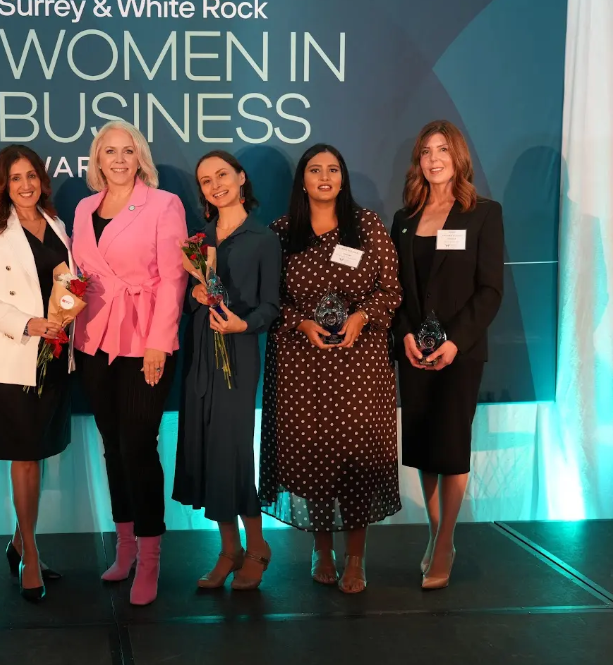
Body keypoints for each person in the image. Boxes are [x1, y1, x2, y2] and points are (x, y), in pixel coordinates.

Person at [258, 143, 402, 594]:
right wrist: (301, 322)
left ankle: (355, 558)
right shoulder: (281, 232)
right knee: (315, 455)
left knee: (355, 459)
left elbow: (390, 290)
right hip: (302, 364)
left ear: (343, 178)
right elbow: (269, 300)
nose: (325, 177)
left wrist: (361, 317)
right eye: (315, 170)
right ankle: (321, 550)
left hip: (360, 364)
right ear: (302, 180)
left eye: (333, 169)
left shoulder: (367, 225)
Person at [72, 120, 188, 606]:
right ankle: (124, 548)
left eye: (127, 150)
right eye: (109, 151)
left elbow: (174, 278)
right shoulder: (84, 208)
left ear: (140, 156)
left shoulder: (164, 204)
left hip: (145, 339)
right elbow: (79, 272)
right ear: (97, 160)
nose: (119, 159)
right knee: (113, 446)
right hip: (94, 338)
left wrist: (160, 341)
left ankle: (151, 556)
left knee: (139, 445)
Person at [390, 120, 504, 590]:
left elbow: (490, 290)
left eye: (442, 149)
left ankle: (444, 544)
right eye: (426, 151)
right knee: (424, 447)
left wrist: (454, 341)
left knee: (451, 446)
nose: (434, 159)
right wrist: (404, 336)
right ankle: (436, 533)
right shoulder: (404, 218)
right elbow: (395, 290)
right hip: (415, 353)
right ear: (418, 161)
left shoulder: (484, 214)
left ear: (458, 156)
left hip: (461, 353)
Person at [0, 145, 74, 603]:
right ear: (2, 186)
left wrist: (68, 310)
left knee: (38, 454)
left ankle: (18, 541)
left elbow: (66, 285)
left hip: (54, 353)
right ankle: (30, 554)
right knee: (25, 456)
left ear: (41, 180)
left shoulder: (57, 225)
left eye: (31, 176)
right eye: (15, 178)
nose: (25, 185)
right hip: (11, 355)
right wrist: (27, 323)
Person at [173, 151, 281, 590]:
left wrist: (243, 324)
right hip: (200, 351)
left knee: (233, 450)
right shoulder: (199, 241)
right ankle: (229, 549)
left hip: (238, 351)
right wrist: (195, 296)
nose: (215, 184)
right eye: (206, 180)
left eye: (222, 175)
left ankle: (258, 546)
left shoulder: (264, 238)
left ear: (240, 178)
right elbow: (187, 299)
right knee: (206, 448)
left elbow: (271, 306)